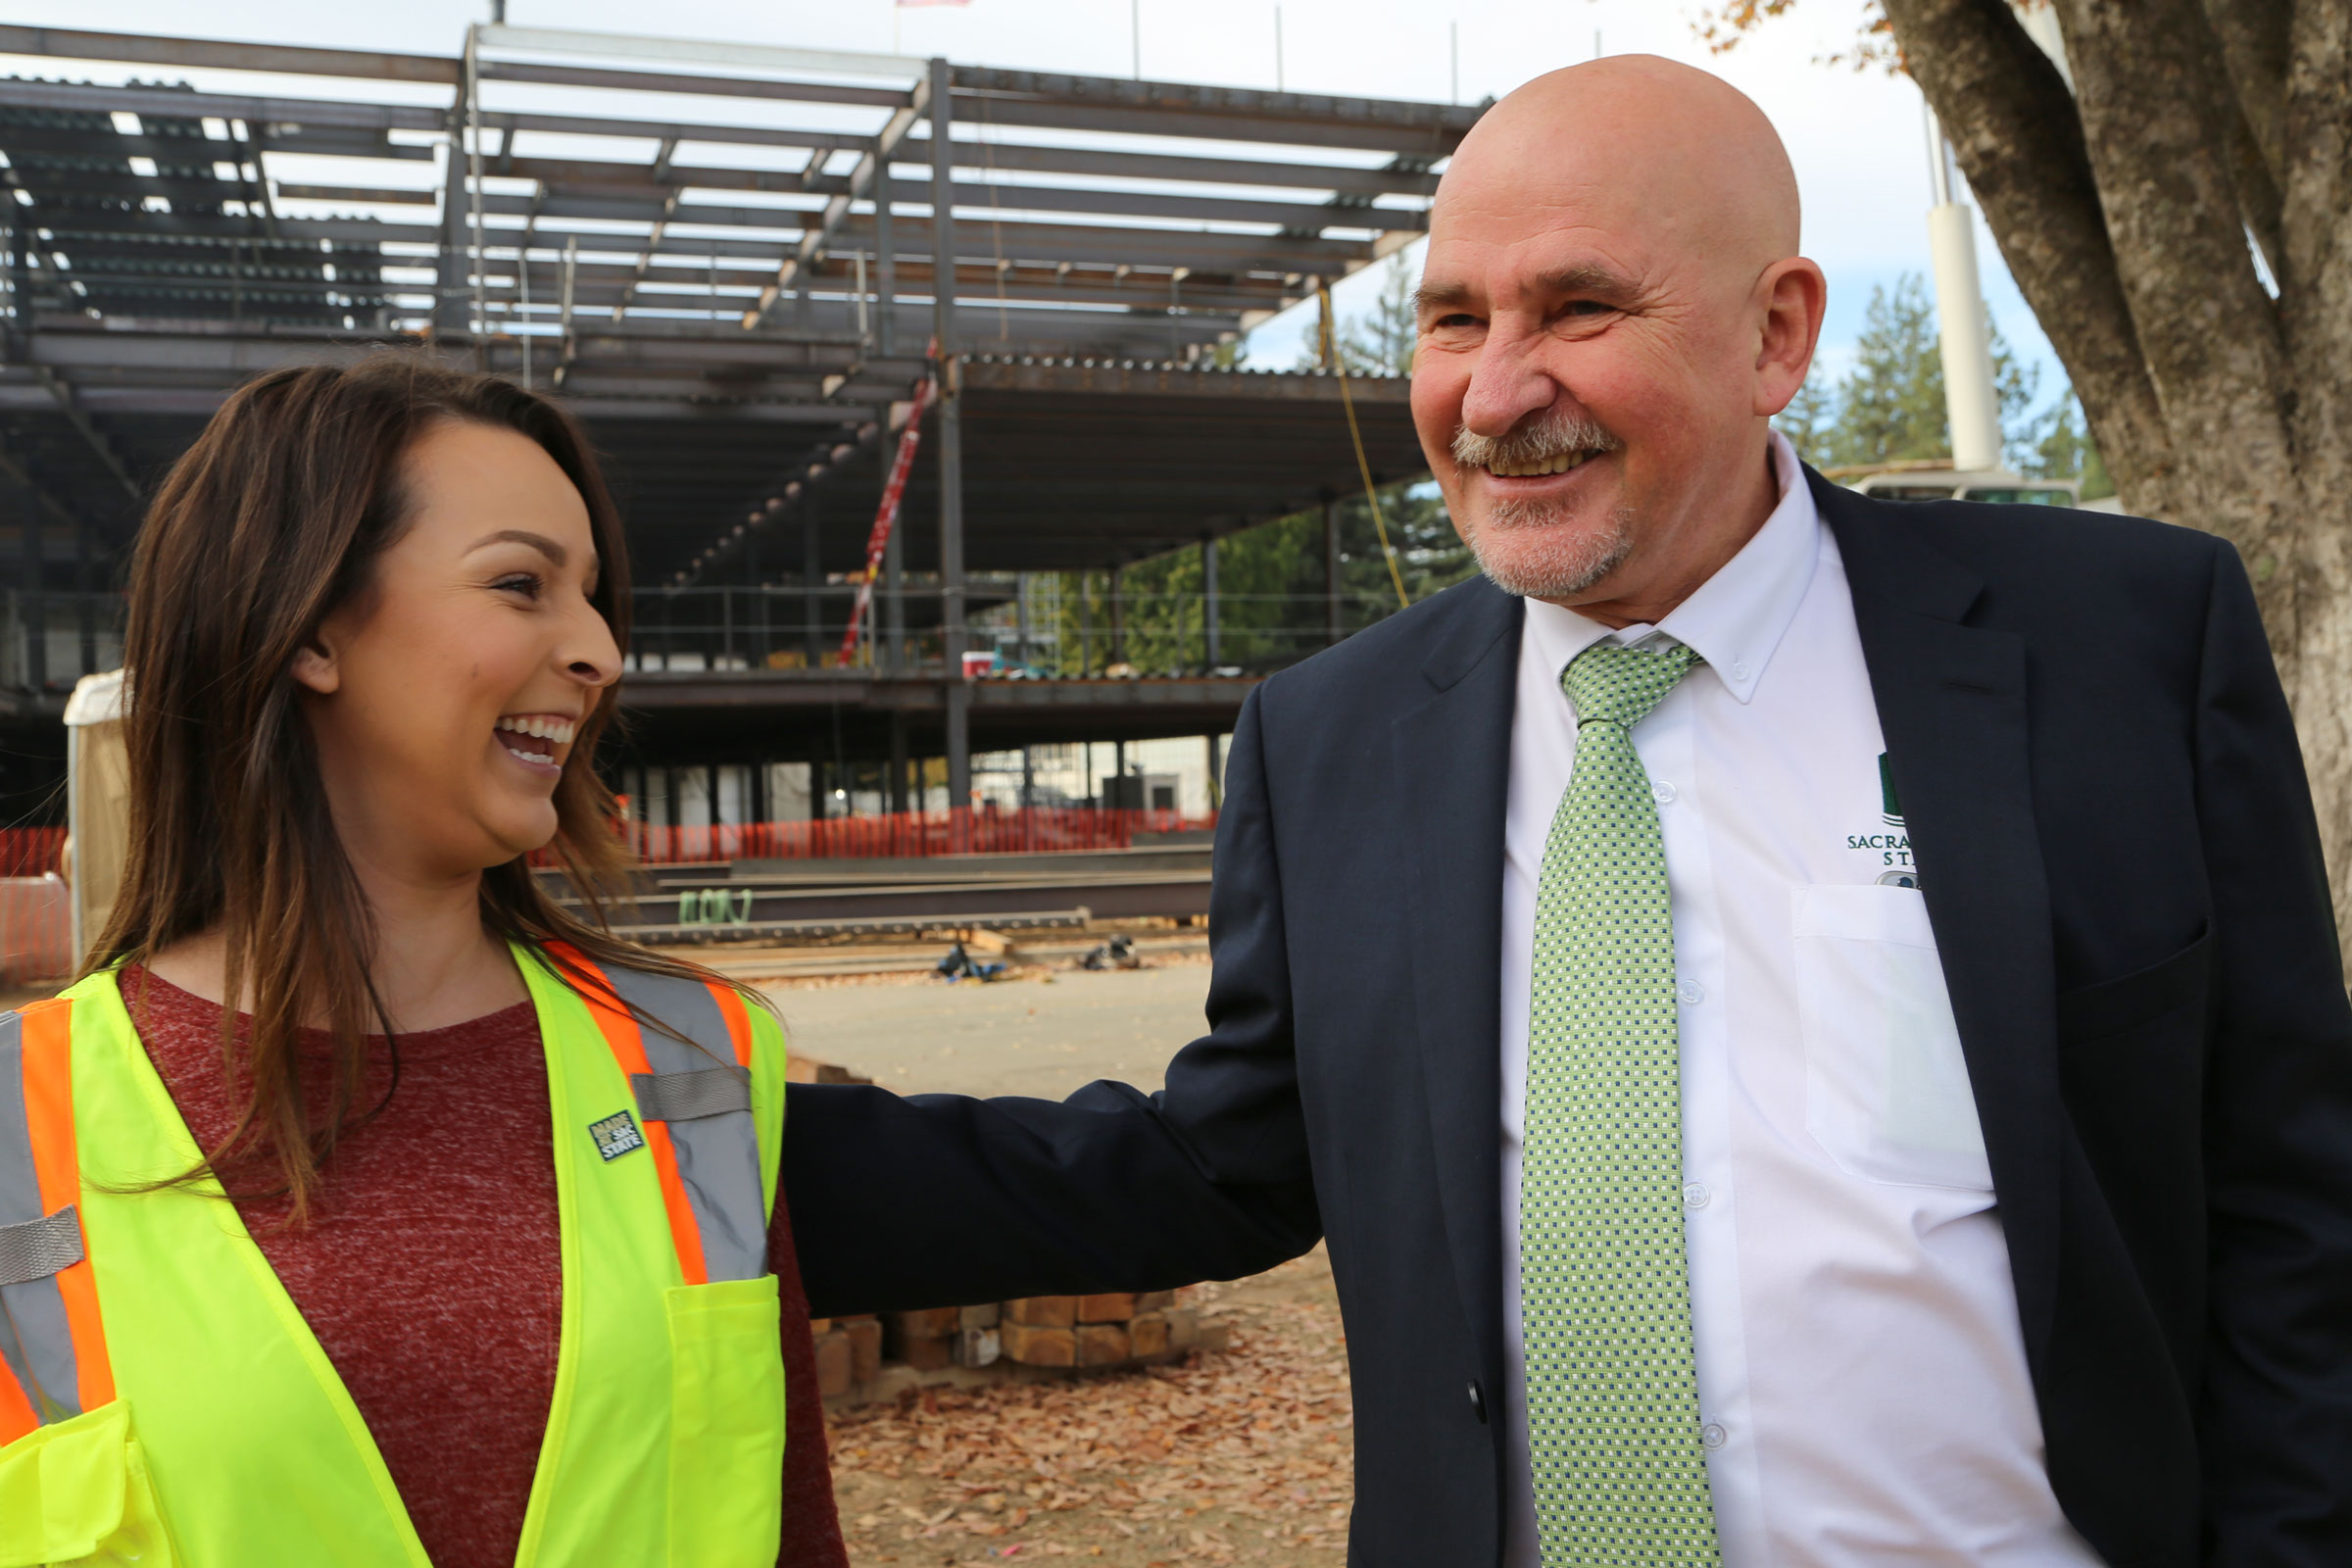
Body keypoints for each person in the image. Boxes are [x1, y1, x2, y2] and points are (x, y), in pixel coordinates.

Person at [780, 56, 2352, 1568]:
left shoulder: (2120, 649)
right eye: (1453, 320)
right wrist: (718, 1155)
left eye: (1580, 307)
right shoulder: (1328, 740)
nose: (1496, 391)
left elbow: (2288, 1188)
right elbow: (1225, 1165)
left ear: (1777, 334)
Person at [0, 357, 848, 1566]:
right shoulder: (14, 1133)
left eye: (594, 599)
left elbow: (793, 1530)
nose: (601, 650)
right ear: (309, 629)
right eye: (521, 584)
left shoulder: (697, 1064)